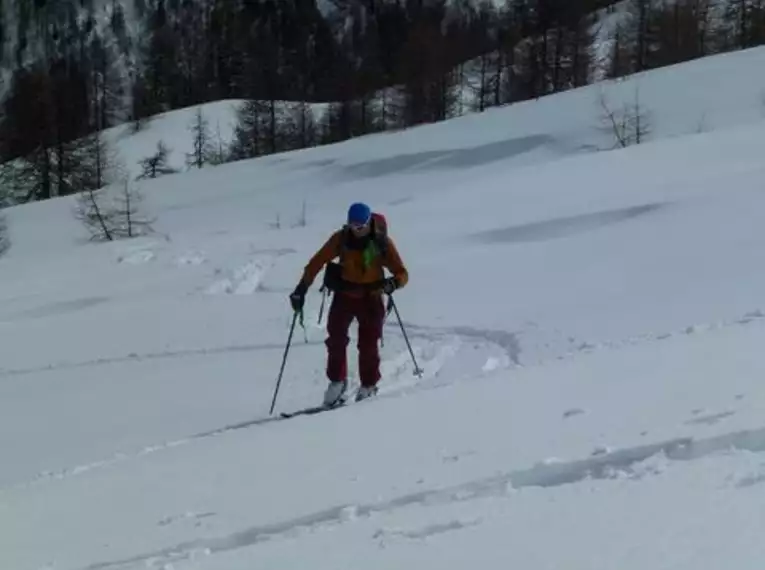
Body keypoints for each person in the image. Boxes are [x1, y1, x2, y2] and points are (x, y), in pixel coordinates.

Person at [289, 202, 409, 406]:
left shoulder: (382, 242)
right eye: (353, 225)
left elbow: (402, 273)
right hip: (344, 295)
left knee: (368, 344)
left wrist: (393, 283)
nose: (357, 230)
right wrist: (301, 288)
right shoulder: (341, 239)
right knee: (335, 338)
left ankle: (369, 385)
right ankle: (337, 382)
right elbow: (316, 262)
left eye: (361, 226)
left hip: (371, 297)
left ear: (369, 222)